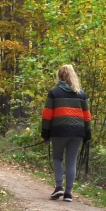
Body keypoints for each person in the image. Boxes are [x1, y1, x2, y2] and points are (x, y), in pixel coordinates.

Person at [41, 64, 92, 202]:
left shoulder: (54, 93)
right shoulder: (81, 94)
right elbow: (87, 117)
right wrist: (88, 135)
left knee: (57, 158)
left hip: (59, 130)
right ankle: (68, 193)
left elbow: (47, 116)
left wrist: (45, 134)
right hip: (78, 132)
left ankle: (59, 187)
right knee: (71, 161)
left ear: (59, 76)